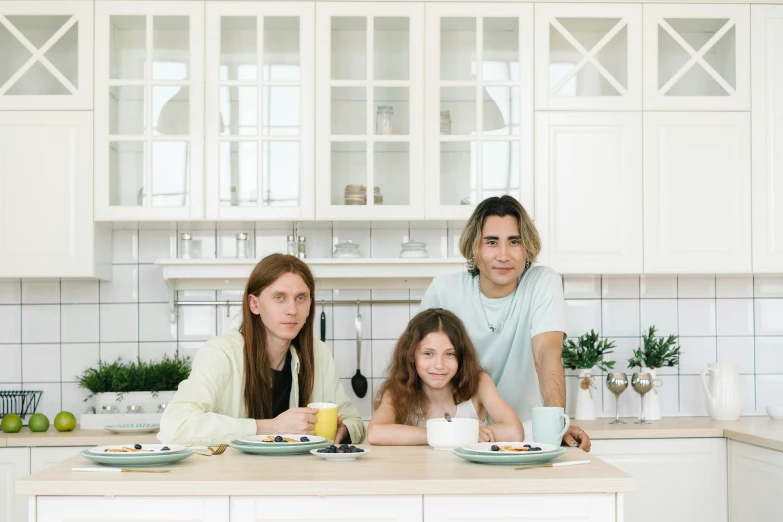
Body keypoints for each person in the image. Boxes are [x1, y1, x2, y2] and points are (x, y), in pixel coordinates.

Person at [420, 196, 591, 451]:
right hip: (459, 433)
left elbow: (547, 354)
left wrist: (556, 425)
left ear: (527, 247)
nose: (503, 255)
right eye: (491, 242)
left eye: (514, 241)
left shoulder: (542, 282)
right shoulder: (444, 289)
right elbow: (416, 366)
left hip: (524, 433)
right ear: (474, 248)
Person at [159, 254, 365, 445]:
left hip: (303, 476)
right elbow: (175, 426)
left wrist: (343, 430)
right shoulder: (221, 354)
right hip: (234, 477)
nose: (292, 310)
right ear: (254, 304)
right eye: (279, 298)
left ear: (310, 304)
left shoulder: (317, 353)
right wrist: (271, 427)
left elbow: (353, 420)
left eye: (301, 298)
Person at [367, 308, 523, 445]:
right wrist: (451, 434)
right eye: (428, 353)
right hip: (418, 475)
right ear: (411, 355)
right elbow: (375, 432)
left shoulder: (480, 382)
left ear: (461, 356)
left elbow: (514, 431)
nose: (439, 365)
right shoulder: (397, 389)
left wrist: (459, 434)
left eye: (450, 354)